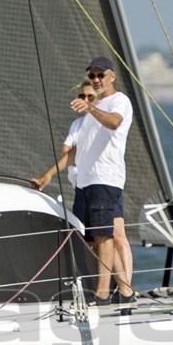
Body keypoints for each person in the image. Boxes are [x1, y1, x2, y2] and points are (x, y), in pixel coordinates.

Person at [30, 58, 134, 302]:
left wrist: (90, 109)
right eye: (92, 75)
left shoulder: (118, 101)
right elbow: (78, 151)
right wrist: (48, 174)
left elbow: (115, 122)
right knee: (93, 239)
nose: (96, 79)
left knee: (104, 236)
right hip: (85, 183)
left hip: (105, 179)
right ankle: (126, 290)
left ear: (112, 77)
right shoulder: (90, 114)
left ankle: (102, 294)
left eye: (100, 75)